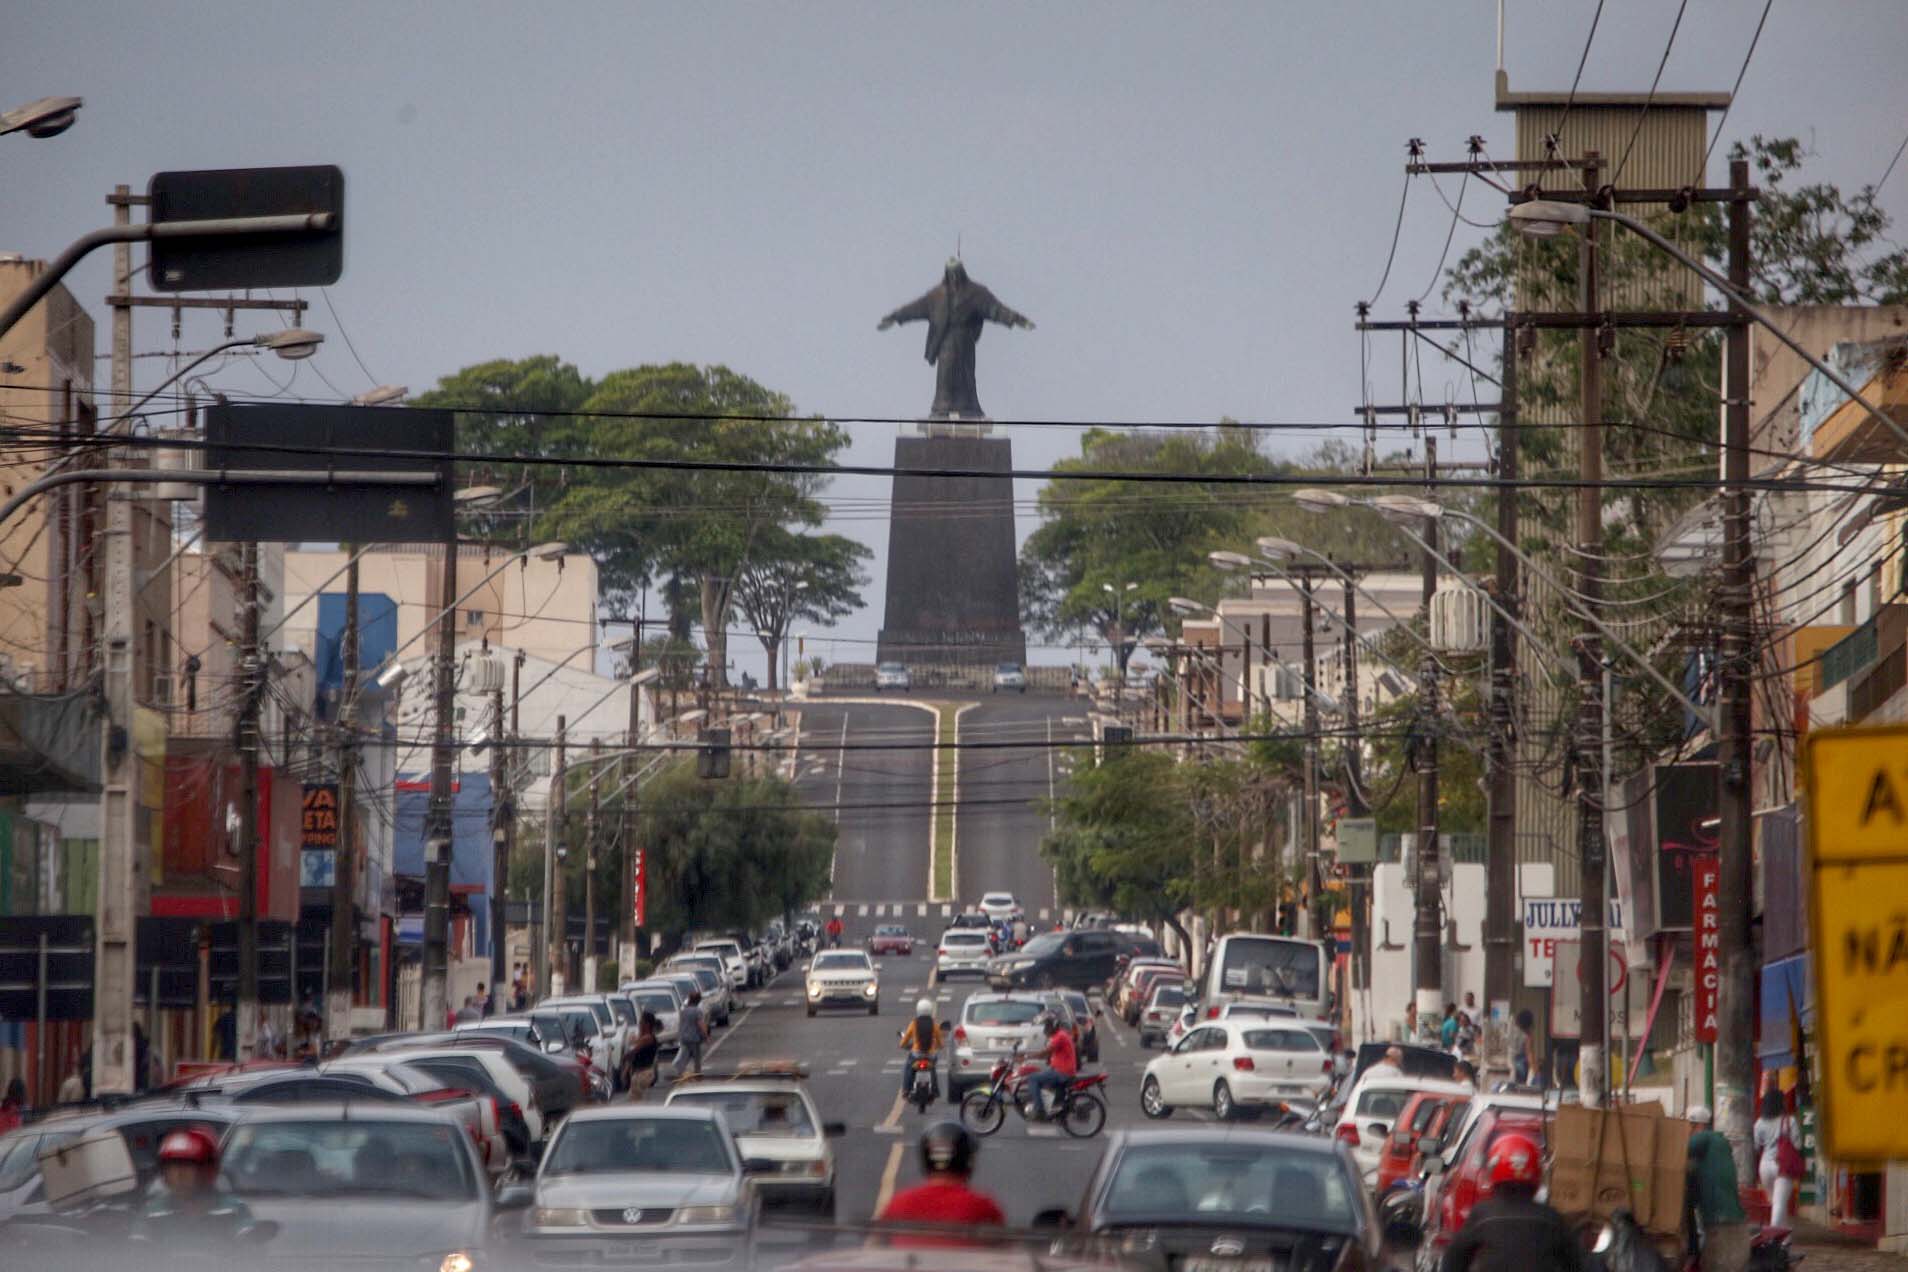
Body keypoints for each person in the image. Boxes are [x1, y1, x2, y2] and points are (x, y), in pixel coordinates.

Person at [1439, 1133, 1585, 1272]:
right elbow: (1578, 1262)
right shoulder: (1552, 1218)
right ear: (1537, 1172)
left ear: (1493, 1169)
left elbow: (1453, 1259)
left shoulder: (1482, 1215)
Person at [130, 1128, 259, 1247]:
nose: (178, 1176)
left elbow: (248, 1246)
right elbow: (136, 1252)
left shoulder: (232, 1210)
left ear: (207, 1170)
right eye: (171, 1169)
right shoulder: (153, 1212)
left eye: (187, 1168)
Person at [877, 1121, 1006, 1234]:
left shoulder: (898, 1204)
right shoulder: (983, 1207)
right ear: (968, 1160)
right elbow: (1003, 1251)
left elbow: (876, 1247)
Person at [1686, 1104, 1751, 1272]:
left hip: (1720, 1220)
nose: (1687, 1130)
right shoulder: (1718, 1144)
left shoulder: (1705, 1138)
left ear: (1697, 1125)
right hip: (1729, 1219)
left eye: (1688, 1126)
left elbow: (1678, 1149)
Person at [1753, 1089, 1799, 1230]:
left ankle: (1785, 1241)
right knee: (1779, 1204)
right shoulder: (1789, 1121)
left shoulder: (1759, 1123)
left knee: (1776, 1203)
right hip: (1782, 1166)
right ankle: (1772, 1237)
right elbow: (1798, 1145)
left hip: (1765, 1167)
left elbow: (1755, 1146)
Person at [1024, 1014, 1077, 1121]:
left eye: (1047, 1026)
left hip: (1062, 1072)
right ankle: (1050, 1106)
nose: (1045, 1029)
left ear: (1053, 1026)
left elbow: (1045, 1052)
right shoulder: (1058, 1035)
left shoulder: (1059, 1037)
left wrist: (1026, 1057)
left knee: (1032, 1078)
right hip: (1059, 1069)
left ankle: (1039, 1110)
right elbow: (1049, 1053)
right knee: (1039, 1075)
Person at [899, 997, 945, 1098]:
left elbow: (904, 1041)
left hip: (916, 1054)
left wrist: (903, 1045)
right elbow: (941, 1043)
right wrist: (938, 1046)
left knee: (908, 1068)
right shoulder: (934, 1025)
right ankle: (935, 1090)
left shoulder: (913, 1024)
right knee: (933, 1069)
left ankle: (906, 1089)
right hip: (930, 1055)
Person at [623, 1011, 662, 1099]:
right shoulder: (644, 1037)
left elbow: (632, 1052)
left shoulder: (648, 1038)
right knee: (637, 1098)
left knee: (634, 1100)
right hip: (640, 1072)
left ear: (647, 1024)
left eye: (641, 1022)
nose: (639, 1024)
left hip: (643, 1073)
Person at [672, 992, 708, 1079]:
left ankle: (680, 1070)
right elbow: (701, 1024)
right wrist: (706, 1035)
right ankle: (697, 1074)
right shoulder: (697, 1011)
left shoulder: (683, 1010)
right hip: (694, 1038)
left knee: (685, 1055)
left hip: (684, 1037)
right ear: (698, 1001)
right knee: (696, 1058)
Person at [1512, 1010, 1538, 1086]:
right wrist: (1535, 1070)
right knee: (1520, 1086)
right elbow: (1529, 1053)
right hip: (1521, 1064)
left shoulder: (1513, 1033)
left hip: (1511, 1062)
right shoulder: (1527, 1036)